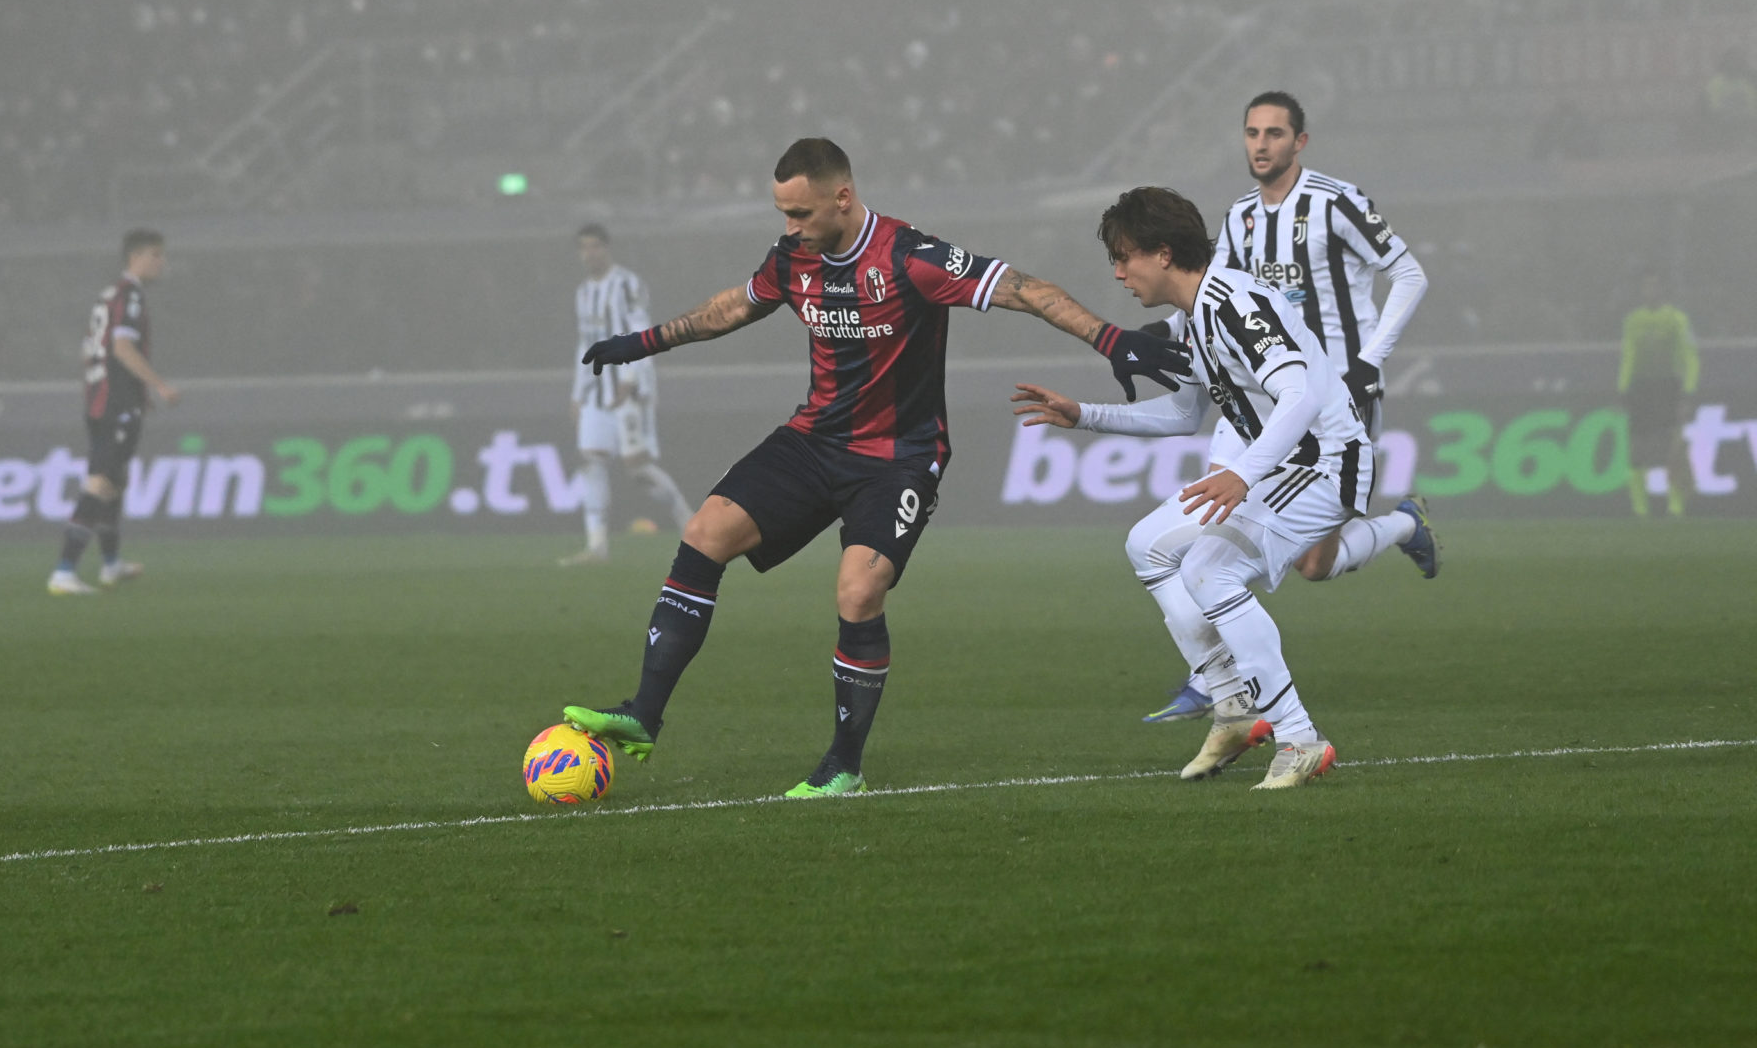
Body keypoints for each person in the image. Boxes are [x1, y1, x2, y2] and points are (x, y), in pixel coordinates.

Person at [562, 138, 1190, 797]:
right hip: (814, 440)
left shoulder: (911, 257)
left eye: (800, 213)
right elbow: (733, 308)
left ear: (842, 197)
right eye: (782, 213)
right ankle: (643, 713)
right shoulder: (792, 259)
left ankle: (844, 765)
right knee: (703, 534)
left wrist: (1109, 338)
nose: (790, 228)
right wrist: (644, 342)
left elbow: (1023, 288)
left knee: (858, 591)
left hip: (899, 459)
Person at [1013, 186, 1364, 789]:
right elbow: (1182, 415)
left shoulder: (1234, 301)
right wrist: (1086, 414)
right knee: (1147, 544)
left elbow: (1300, 392)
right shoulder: (1192, 319)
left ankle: (1300, 736)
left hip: (1325, 464)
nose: (1119, 273)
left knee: (1209, 570)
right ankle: (1232, 706)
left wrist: (1242, 472)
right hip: (1276, 467)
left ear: (1165, 253)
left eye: (1126, 257)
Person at [1142, 90, 1438, 724]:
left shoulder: (1338, 202)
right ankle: (1219, 677)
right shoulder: (1240, 217)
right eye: (1252, 132)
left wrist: (1371, 358)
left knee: (1313, 564)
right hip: (1261, 400)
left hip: (1336, 400)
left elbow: (1409, 273)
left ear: (1299, 142)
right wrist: (1154, 340)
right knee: (1208, 540)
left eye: (1275, 133)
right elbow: (1206, 290)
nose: (1261, 143)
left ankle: (1405, 526)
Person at [47, 229, 180, 596]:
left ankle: (110, 565)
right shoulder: (131, 295)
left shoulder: (108, 296)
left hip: (103, 398)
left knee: (115, 480)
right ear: (135, 257)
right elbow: (122, 348)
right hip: (116, 402)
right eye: (156, 255)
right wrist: (157, 384)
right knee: (102, 481)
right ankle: (64, 571)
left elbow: (88, 350)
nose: (161, 262)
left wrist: (116, 388)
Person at [560, 224, 695, 565]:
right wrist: (577, 393)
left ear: (606, 248)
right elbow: (583, 343)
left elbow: (640, 330)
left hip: (630, 387)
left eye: (595, 247)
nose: (589, 254)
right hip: (595, 389)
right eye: (584, 248)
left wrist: (630, 377)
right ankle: (597, 547)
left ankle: (690, 524)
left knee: (638, 468)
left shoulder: (627, 284)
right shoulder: (582, 293)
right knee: (590, 459)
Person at [1618, 274, 1700, 517]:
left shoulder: (1677, 320)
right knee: (1637, 451)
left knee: (1671, 450)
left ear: (1664, 290)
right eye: (1646, 286)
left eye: (1655, 285)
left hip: (1668, 388)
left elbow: (1691, 357)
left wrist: (1688, 392)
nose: (1650, 290)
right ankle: (1640, 510)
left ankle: (1675, 507)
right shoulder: (1633, 320)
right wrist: (1623, 389)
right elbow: (1628, 356)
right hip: (1641, 389)